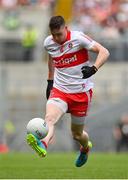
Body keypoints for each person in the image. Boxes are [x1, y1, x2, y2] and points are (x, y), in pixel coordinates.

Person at [26, 15, 109, 167]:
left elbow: (104, 52)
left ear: (66, 29)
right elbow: (51, 57)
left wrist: (93, 68)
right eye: (54, 35)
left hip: (81, 93)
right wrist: (50, 81)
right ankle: (43, 144)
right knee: (50, 119)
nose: (57, 38)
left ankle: (85, 148)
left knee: (77, 134)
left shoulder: (78, 38)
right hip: (60, 90)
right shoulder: (48, 43)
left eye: (60, 34)